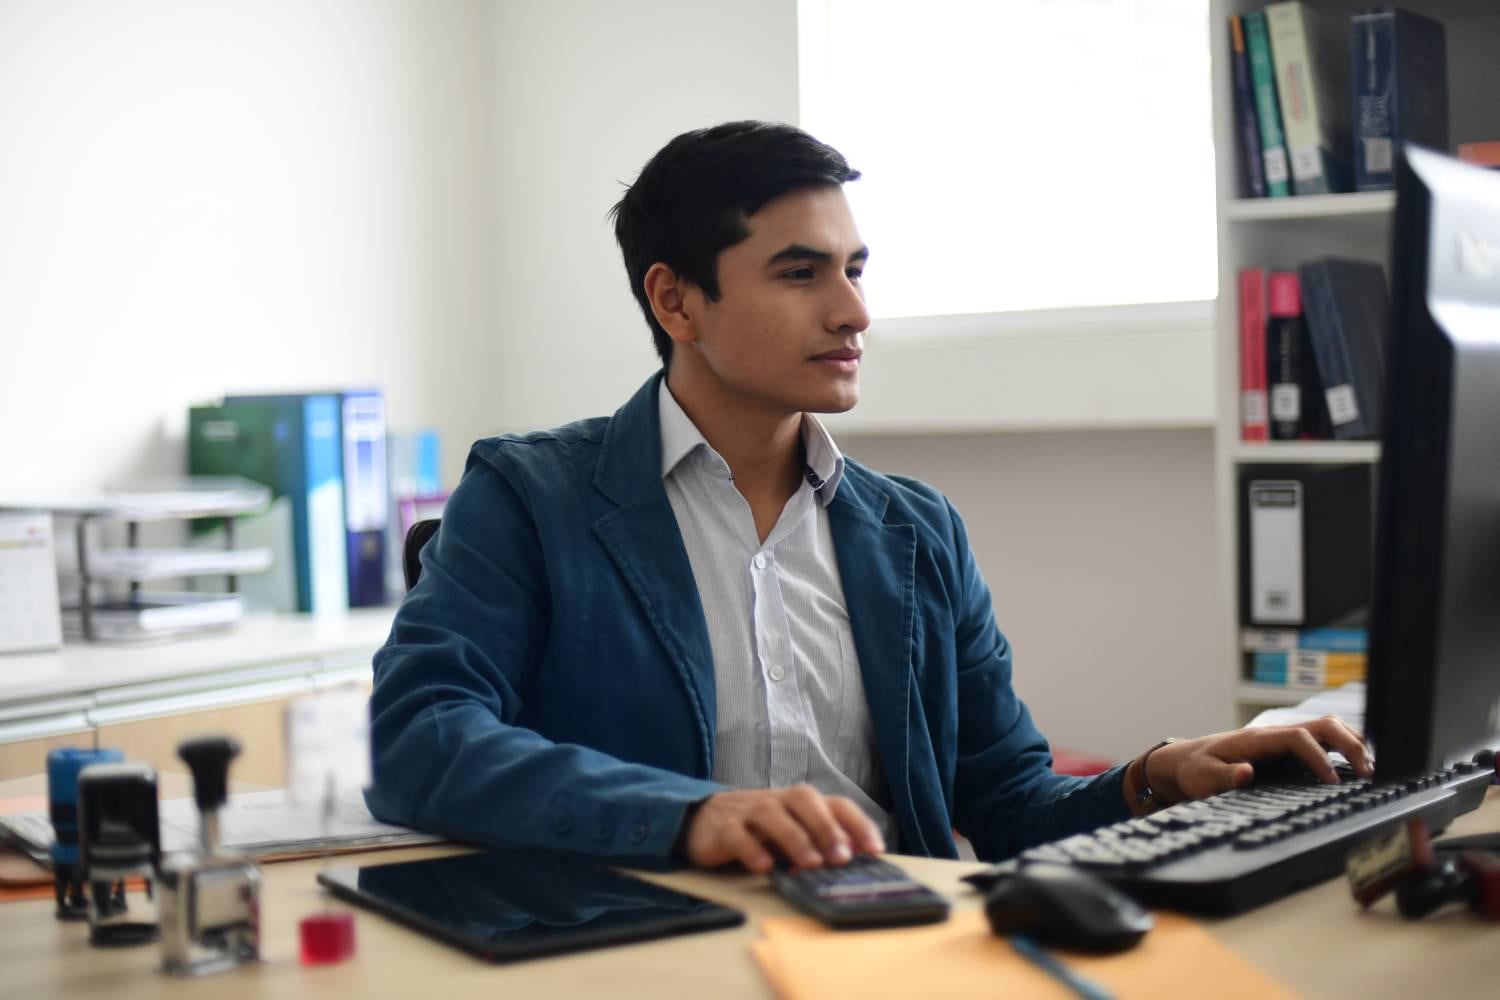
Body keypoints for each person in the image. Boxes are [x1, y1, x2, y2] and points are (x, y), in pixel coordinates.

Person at [365, 120, 1372, 875]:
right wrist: (686, 814)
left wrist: (1162, 773)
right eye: (800, 273)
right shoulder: (530, 494)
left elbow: (1010, 799)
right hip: (650, 952)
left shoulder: (915, 531)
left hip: (893, 946)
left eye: (853, 268)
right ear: (676, 300)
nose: (853, 311)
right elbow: (419, 738)